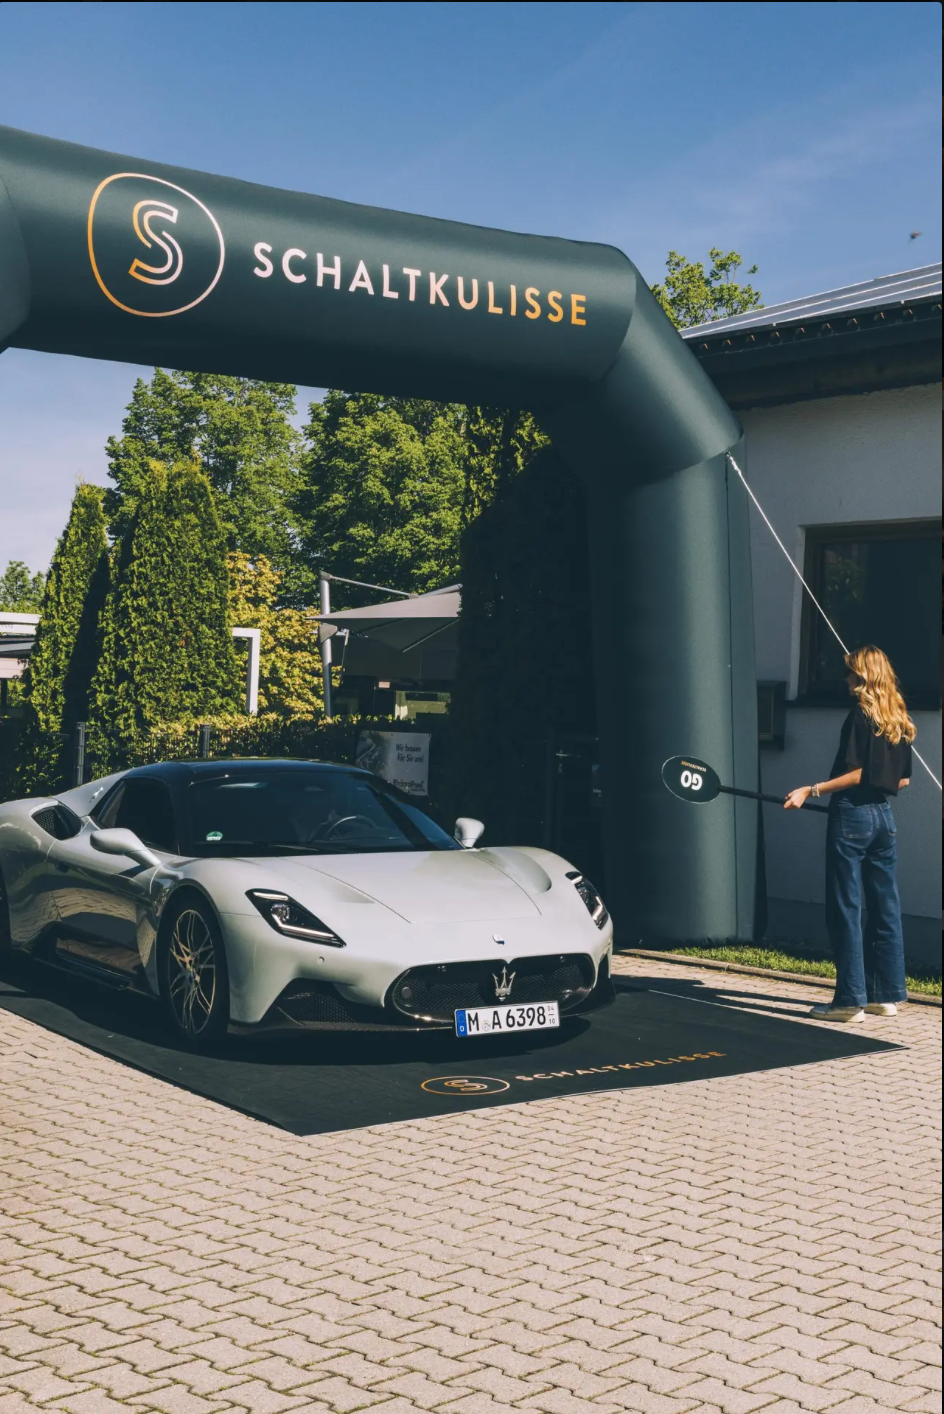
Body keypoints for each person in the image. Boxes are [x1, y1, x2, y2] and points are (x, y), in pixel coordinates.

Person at [784, 645, 914, 1023]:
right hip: (883, 818)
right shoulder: (897, 717)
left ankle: (848, 1002)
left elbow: (856, 772)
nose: (845, 680)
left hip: (853, 816)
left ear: (863, 676)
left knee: (846, 907)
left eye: (850, 673)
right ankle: (883, 996)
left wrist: (812, 789)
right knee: (884, 907)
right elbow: (902, 780)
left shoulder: (860, 714)